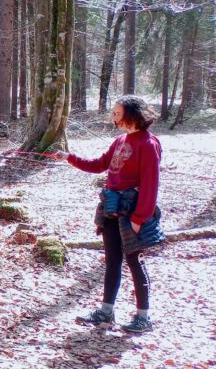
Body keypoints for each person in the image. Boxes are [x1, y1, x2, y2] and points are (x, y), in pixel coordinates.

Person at [56, 95, 162, 334]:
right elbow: (99, 164)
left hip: (132, 213)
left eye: (117, 113)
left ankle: (143, 317)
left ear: (132, 114)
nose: (113, 117)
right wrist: (69, 158)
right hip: (111, 209)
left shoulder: (148, 143)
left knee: (135, 262)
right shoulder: (119, 141)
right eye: (114, 112)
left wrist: (139, 218)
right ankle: (106, 312)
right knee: (112, 260)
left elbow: (150, 184)